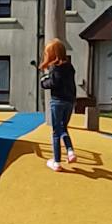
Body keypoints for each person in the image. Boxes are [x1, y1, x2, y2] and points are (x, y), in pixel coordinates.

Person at [39, 39, 77, 171]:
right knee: (63, 127)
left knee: (56, 132)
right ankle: (70, 151)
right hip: (69, 101)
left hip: (57, 101)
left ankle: (56, 161)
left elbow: (53, 83)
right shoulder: (70, 67)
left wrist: (43, 80)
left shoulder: (55, 67)